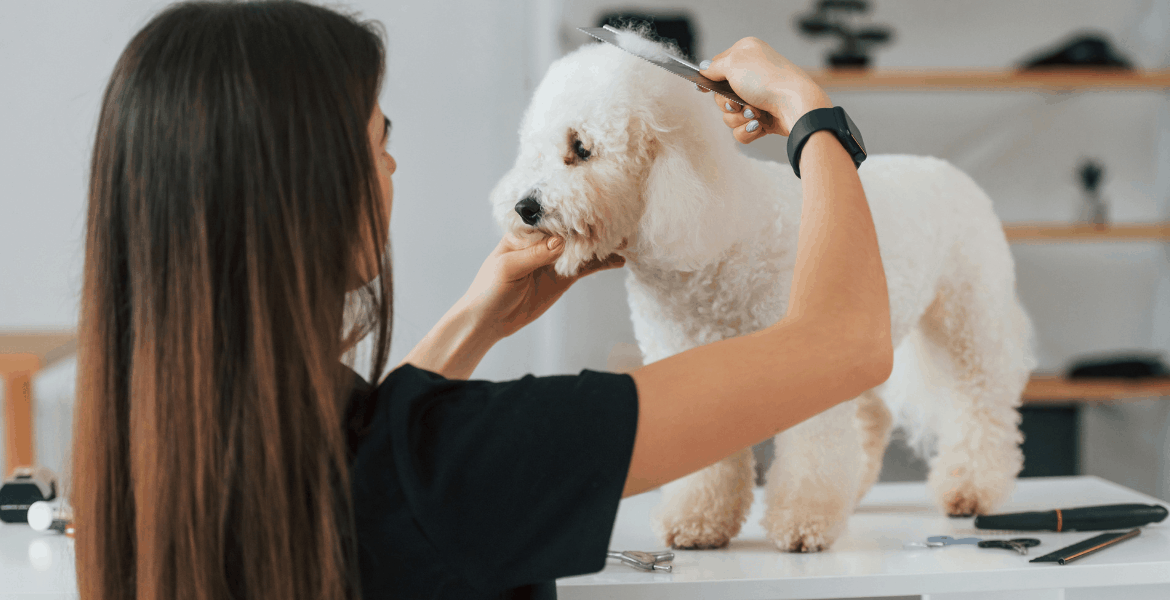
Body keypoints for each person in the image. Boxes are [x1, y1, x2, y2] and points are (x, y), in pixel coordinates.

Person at [71, 1, 891, 599]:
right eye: (379, 139)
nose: (393, 168)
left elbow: (365, 466)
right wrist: (810, 117)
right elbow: (845, 344)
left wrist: (476, 320)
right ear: (308, 191)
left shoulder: (143, 448)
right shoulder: (463, 467)